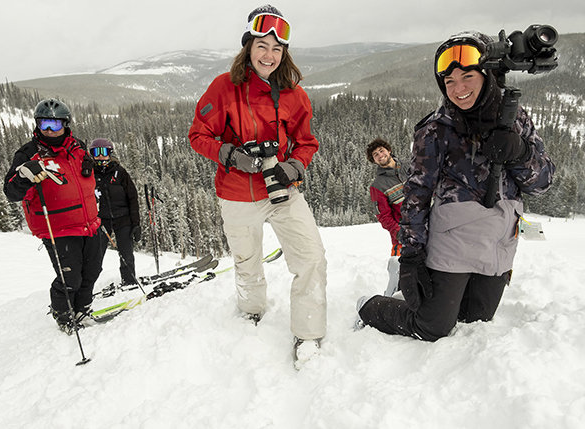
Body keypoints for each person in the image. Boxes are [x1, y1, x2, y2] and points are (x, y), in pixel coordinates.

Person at [356, 31, 555, 340]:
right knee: (432, 326)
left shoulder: (515, 119)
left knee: (476, 319)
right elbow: (417, 195)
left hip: (499, 241)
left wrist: (519, 152)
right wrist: (410, 257)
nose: (458, 89)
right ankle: (368, 307)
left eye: (467, 77)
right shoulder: (436, 129)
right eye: (449, 82)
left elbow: (541, 184)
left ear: (486, 74)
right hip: (453, 240)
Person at [188, 4, 327, 369]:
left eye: (277, 49)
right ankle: (251, 313)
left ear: (285, 54)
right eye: (262, 46)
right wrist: (230, 155)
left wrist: (294, 164)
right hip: (236, 193)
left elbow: (307, 142)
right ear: (248, 47)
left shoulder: (294, 94)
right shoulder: (224, 87)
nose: (269, 55)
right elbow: (198, 135)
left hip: (282, 190)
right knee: (247, 262)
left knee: (311, 258)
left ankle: (309, 334)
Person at [3, 98, 103, 334]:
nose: (49, 130)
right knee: (70, 280)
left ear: (66, 125)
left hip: (89, 223)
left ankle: (82, 309)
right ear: (37, 124)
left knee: (92, 272)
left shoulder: (77, 146)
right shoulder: (28, 153)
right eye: (44, 124)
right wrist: (23, 176)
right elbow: (11, 193)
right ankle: (64, 315)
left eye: (55, 125)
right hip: (58, 227)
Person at [90, 138, 141, 286]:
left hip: (123, 220)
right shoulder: (89, 174)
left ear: (110, 153)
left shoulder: (119, 172)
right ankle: (85, 290)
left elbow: (133, 197)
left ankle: (129, 282)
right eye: (96, 152)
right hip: (100, 222)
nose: (100, 156)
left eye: (104, 152)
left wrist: (136, 223)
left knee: (126, 254)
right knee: (94, 257)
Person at [366, 138, 408, 297]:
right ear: (374, 160)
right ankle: (389, 302)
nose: (379, 155)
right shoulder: (378, 185)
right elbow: (383, 216)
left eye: (381, 150)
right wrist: (398, 232)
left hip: (427, 226)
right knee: (399, 274)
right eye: (375, 155)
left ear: (389, 150)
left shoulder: (409, 166)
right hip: (401, 236)